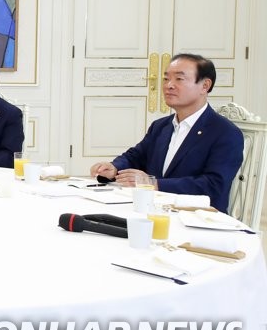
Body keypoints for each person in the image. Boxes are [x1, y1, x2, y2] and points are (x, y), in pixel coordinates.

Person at [90, 53, 242, 212]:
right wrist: (114, 167)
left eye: (179, 79)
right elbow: (137, 156)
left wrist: (154, 184)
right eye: (166, 78)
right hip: (155, 210)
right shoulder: (161, 126)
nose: (169, 85)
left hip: (199, 217)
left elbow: (214, 185)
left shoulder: (226, 133)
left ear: (205, 86)